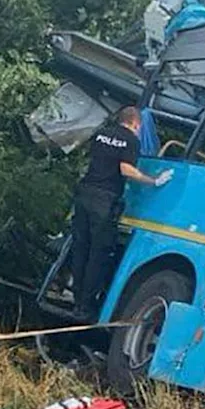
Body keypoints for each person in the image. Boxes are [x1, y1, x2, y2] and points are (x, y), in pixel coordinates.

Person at [70, 107, 171, 321]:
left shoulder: (102, 134)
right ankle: (85, 307)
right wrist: (153, 181)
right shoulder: (131, 141)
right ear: (136, 124)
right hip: (104, 200)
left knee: (80, 248)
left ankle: (75, 298)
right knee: (98, 253)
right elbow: (126, 170)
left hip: (85, 193)